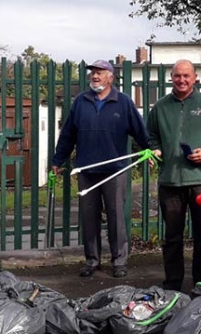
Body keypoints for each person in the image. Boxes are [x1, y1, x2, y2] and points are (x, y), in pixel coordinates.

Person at [52, 59, 151, 278]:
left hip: (115, 170)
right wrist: (58, 160)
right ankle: (92, 260)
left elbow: (140, 131)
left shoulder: (123, 102)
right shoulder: (81, 102)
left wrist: (150, 150)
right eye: (92, 73)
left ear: (110, 77)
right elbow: (68, 134)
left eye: (99, 73)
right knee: (89, 217)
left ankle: (119, 261)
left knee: (116, 216)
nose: (95, 76)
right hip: (87, 170)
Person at [147, 59, 201, 291]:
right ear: (171, 77)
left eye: (186, 76)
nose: (181, 80)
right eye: (177, 76)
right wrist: (155, 148)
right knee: (172, 237)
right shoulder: (160, 107)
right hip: (170, 181)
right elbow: (150, 135)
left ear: (195, 78)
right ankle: (172, 284)